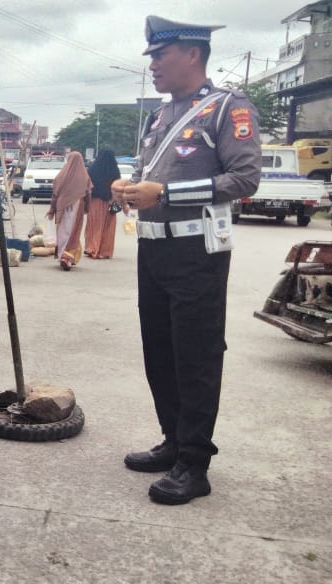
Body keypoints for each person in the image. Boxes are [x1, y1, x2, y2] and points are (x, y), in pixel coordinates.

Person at [111, 16, 261, 505]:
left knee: (195, 355)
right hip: (153, 247)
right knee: (159, 349)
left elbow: (244, 180)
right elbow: (146, 175)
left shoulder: (227, 108)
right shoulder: (160, 116)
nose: (152, 65)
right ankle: (173, 441)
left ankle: (194, 463)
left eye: (159, 55)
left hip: (197, 251)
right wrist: (127, 189)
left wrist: (167, 192)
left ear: (192, 54)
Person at [46, 151, 92, 271]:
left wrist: (52, 210)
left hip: (62, 207)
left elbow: (55, 194)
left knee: (62, 231)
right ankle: (67, 258)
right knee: (74, 232)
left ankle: (63, 255)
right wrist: (87, 208)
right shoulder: (84, 175)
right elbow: (88, 194)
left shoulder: (62, 175)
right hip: (78, 207)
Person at [83, 150, 122, 259]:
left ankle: (91, 248)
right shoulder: (114, 171)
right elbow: (116, 188)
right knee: (107, 227)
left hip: (95, 202)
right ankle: (104, 251)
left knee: (94, 226)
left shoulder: (93, 170)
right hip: (109, 202)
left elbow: (88, 187)